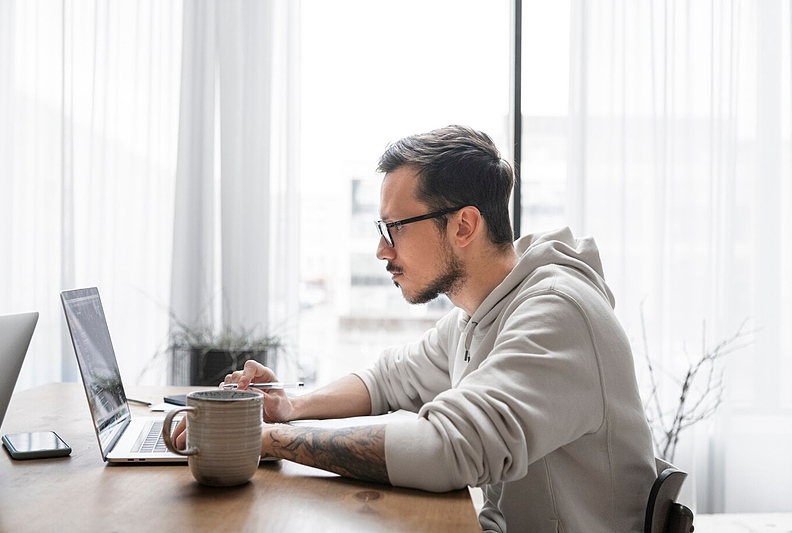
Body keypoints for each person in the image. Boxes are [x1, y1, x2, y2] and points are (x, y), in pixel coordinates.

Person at [173, 125, 656, 532]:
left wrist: (263, 440)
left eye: (396, 227)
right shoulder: (480, 312)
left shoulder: (558, 314)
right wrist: (290, 407)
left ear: (464, 226)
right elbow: (389, 379)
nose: (382, 250)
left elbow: (448, 450)